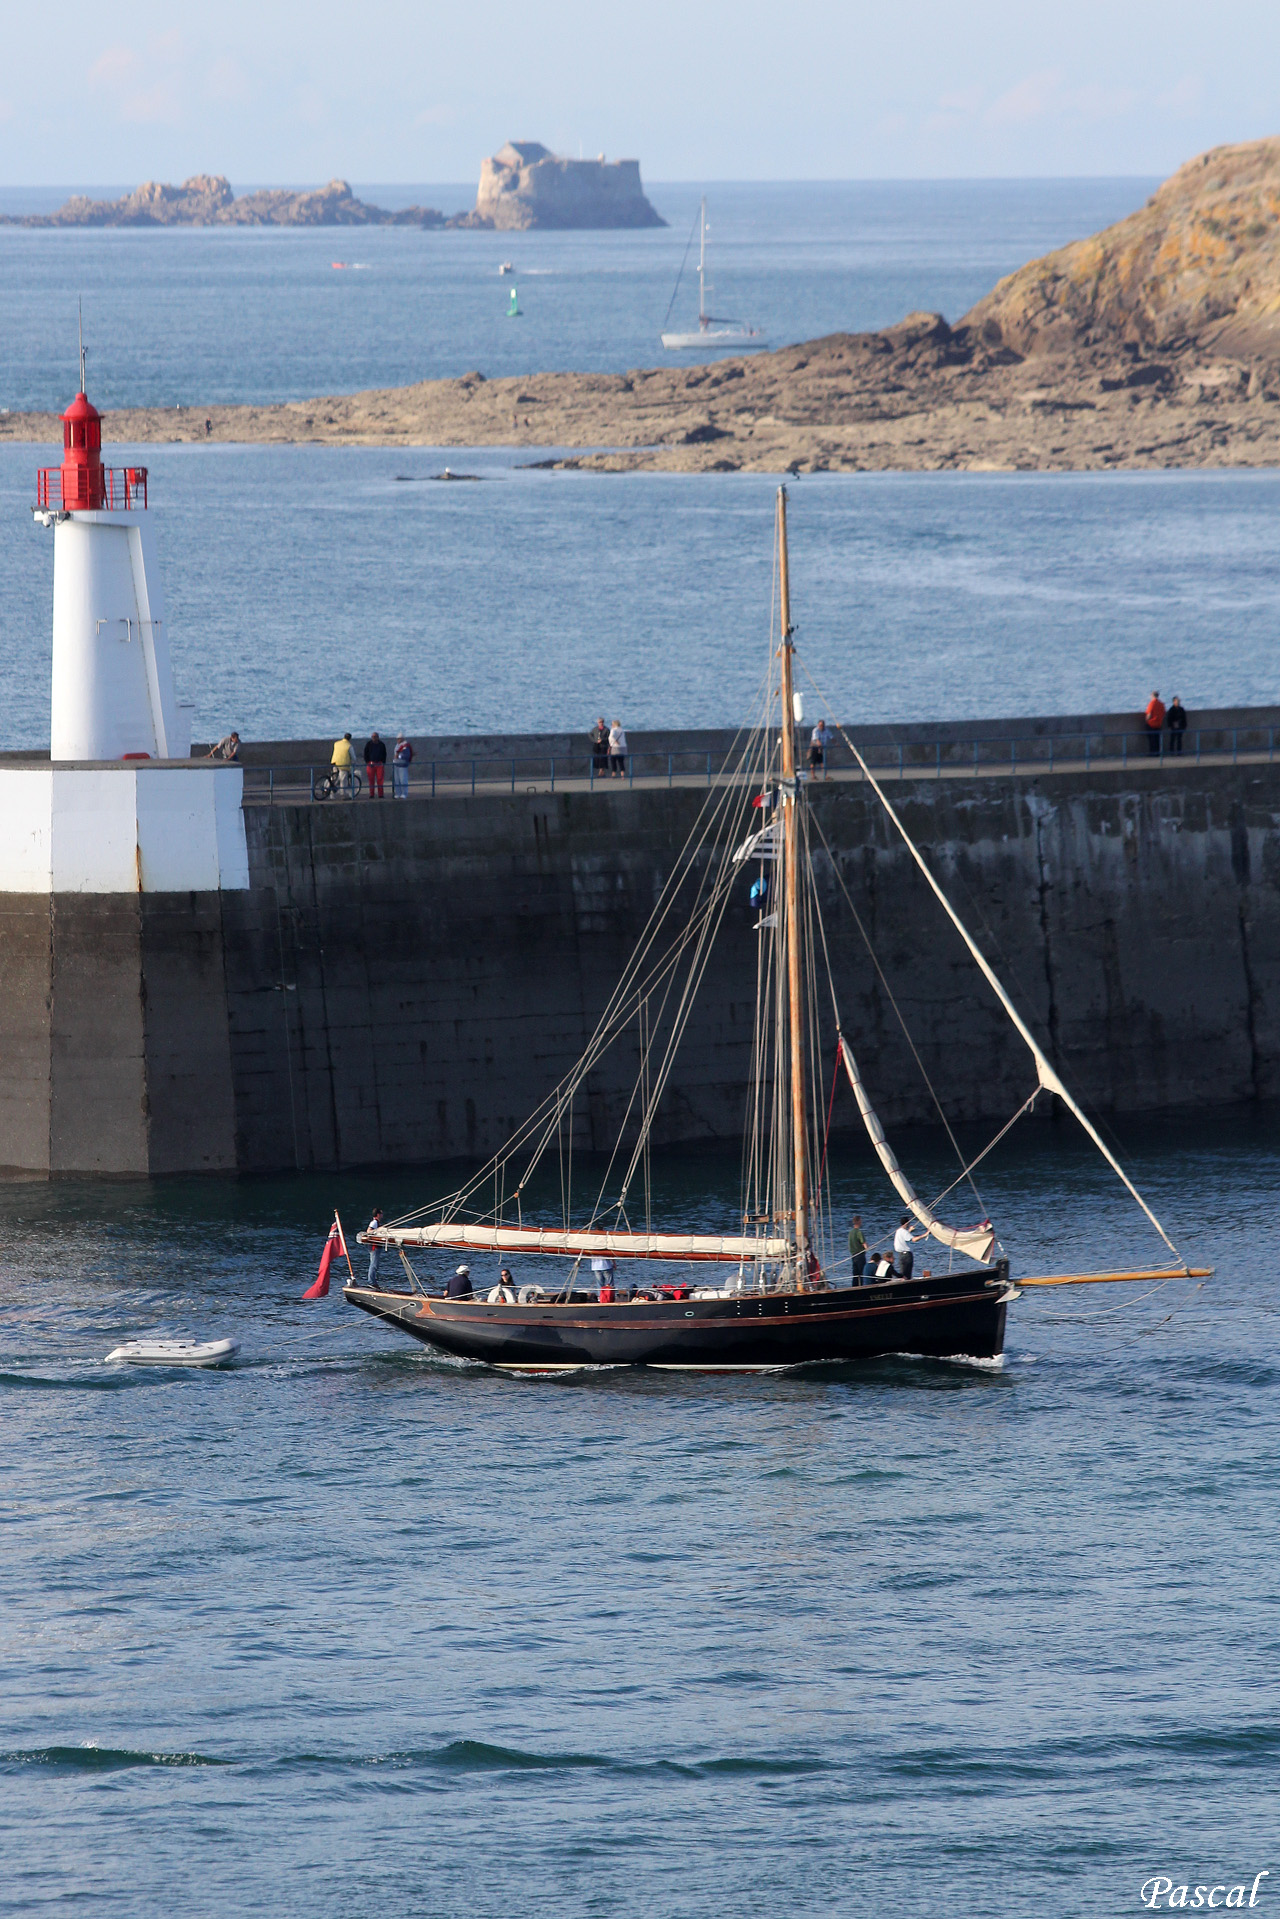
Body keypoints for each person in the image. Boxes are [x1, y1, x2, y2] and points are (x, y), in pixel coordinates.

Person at [893, 1215, 918, 1281]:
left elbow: (905, 1236)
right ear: (907, 1223)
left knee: (903, 1274)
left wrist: (909, 1230)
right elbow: (914, 1239)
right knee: (907, 1275)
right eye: (909, 1223)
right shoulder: (904, 1232)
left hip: (901, 1255)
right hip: (907, 1255)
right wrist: (925, 1234)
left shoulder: (898, 1231)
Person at [364, 730, 387, 799]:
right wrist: (368, 762)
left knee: (380, 779)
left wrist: (383, 762)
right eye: (373, 737)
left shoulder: (381, 744)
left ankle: (380, 794)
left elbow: (384, 753)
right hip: (371, 764)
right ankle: (372, 794)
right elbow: (365, 753)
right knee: (371, 780)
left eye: (375, 737)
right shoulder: (368, 744)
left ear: (378, 737)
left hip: (379, 764)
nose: (374, 738)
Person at [331, 732, 356, 796]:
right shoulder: (349, 746)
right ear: (350, 739)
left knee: (334, 778)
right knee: (343, 780)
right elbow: (353, 757)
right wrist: (354, 762)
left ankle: (328, 790)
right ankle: (343, 794)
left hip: (335, 762)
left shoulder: (336, 743)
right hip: (343, 764)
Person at [366, 1207, 384, 1287]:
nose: (382, 1215)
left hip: (377, 1247)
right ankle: (371, 1282)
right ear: (378, 1214)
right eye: (381, 1213)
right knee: (374, 1265)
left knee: (375, 1265)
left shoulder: (377, 1223)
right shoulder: (374, 1222)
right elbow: (369, 1231)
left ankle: (372, 1281)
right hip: (374, 1247)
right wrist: (376, 1232)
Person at [1145, 691, 1166, 756]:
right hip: (1158, 724)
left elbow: (1149, 714)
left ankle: (1152, 753)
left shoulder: (1151, 703)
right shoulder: (1161, 704)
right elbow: (1163, 713)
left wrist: (1146, 721)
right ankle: (1158, 753)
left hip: (1151, 724)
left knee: (1152, 740)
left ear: (1152, 696)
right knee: (1157, 740)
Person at [393, 733, 414, 798]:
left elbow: (405, 755)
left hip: (402, 765)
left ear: (402, 739)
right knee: (397, 780)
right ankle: (397, 793)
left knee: (403, 779)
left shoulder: (405, 745)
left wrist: (398, 756)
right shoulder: (397, 745)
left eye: (399, 739)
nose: (398, 740)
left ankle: (404, 793)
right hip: (396, 764)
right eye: (397, 739)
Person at [848, 1213, 867, 1284]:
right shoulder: (859, 1232)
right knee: (861, 1272)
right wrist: (866, 1248)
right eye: (860, 1221)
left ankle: (854, 1286)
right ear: (858, 1221)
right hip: (860, 1255)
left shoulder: (850, 1233)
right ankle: (861, 1286)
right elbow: (863, 1243)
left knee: (855, 1273)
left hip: (853, 1255)